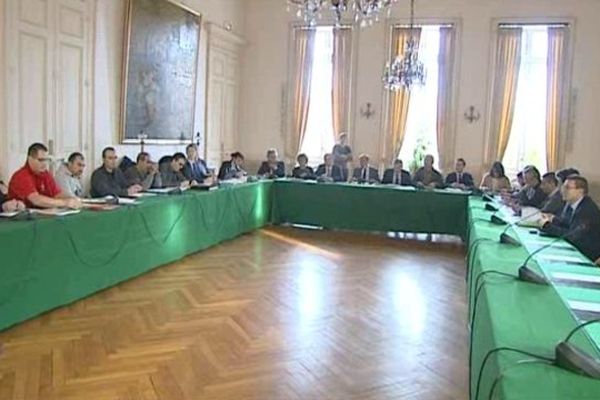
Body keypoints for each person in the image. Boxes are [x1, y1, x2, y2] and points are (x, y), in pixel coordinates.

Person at [540, 176, 600, 261]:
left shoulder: (587, 209)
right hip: (573, 248)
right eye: (563, 187)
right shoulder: (570, 204)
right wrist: (553, 219)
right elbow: (566, 224)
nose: (562, 190)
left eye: (567, 188)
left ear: (580, 191)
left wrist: (547, 226)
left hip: (586, 255)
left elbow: (572, 236)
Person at [8, 143, 81, 209]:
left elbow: (57, 194)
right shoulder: (21, 176)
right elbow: (36, 200)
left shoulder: (45, 174)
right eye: (41, 160)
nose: (44, 164)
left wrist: (73, 199)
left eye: (46, 160)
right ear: (30, 159)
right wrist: (65, 203)